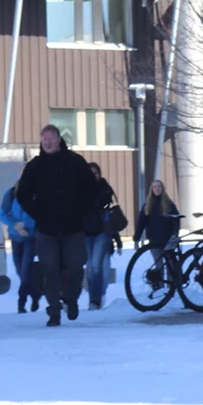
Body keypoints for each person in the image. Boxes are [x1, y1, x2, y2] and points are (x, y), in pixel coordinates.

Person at [17, 125, 96, 326]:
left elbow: (91, 190)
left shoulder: (75, 162)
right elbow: (22, 194)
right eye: (44, 139)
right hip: (46, 229)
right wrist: (37, 214)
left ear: (59, 140)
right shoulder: (35, 166)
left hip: (73, 227)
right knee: (49, 270)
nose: (48, 142)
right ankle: (54, 310)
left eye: (51, 138)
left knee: (76, 267)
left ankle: (72, 299)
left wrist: (81, 212)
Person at [0, 179, 41, 314]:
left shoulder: (36, 195)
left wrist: (27, 226)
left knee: (25, 269)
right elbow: (2, 214)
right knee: (20, 271)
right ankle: (35, 294)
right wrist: (15, 224)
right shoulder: (10, 194)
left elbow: (39, 214)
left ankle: (21, 302)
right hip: (15, 237)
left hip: (30, 237)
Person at [83, 162, 120, 310]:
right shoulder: (80, 189)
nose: (93, 176)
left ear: (99, 174)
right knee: (91, 268)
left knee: (96, 266)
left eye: (95, 173)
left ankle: (95, 300)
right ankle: (96, 295)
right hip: (85, 232)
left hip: (102, 232)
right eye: (90, 173)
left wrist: (117, 240)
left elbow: (101, 204)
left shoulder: (104, 188)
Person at [134, 180, 180, 253]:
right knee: (159, 263)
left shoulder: (169, 204)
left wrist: (175, 235)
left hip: (167, 239)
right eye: (154, 187)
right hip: (153, 240)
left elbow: (177, 219)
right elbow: (141, 223)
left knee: (172, 263)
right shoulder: (147, 205)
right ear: (152, 189)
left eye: (159, 186)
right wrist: (136, 239)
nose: (157, 189)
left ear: (162, 188)